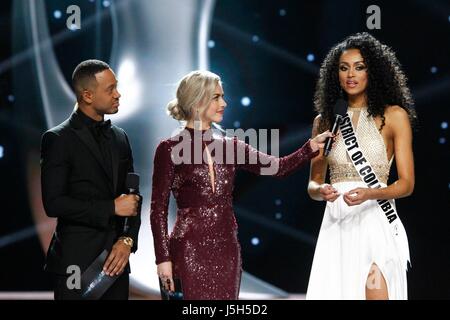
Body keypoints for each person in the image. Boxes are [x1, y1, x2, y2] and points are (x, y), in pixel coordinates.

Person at [150, 70, 332, 299]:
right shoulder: (169, 149)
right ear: (198, 100)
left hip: (228, 251)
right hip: (188, 249)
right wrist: (163, 259)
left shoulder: (231, 146)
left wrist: (310, 147)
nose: (224, 103)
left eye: (222, 96)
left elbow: (277, 167)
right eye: (216, 97)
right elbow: (158, 210)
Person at [306, 33, 416, 300]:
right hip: (337, 222)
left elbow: (406, 184)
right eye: (344, 68)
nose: (350, 75)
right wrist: (322, 191)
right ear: (336, 74)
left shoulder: (394, 116)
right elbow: (312, 184)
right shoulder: (325, 121)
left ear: (373, 71)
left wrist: (370, 193)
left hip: (375, 218)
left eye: (359, 66)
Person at [40, 59, 141, 300]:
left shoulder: (120, 137)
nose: (118, 94)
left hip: (116, 263)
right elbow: (53, 203)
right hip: (76, 263)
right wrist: (111, 207)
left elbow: (133, 196)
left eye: (116, 87)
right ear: (87, 95)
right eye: (110, 89)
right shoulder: (58, 139)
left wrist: (127, 240)